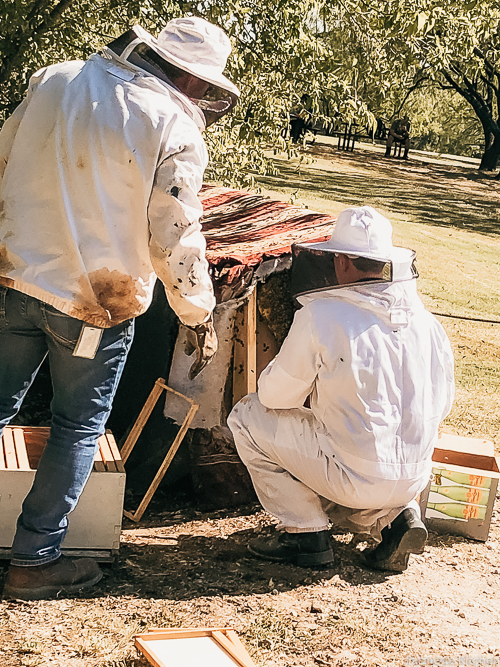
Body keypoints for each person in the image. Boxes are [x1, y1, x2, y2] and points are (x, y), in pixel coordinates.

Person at [0, 17, 239, 600]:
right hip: (92, 307)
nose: (204, 96)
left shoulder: (53, 78)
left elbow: (3, 162)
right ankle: (34, 560)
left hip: (13, 278)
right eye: (205, 86)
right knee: (76, 425)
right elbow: (175, 231)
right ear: (187, 76)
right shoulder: (174, 122)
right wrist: (196, 310)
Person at [228, 206, 455, 571]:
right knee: (367, 450)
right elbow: (442, 405)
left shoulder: (323, 316)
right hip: (415, 477)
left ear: (344, 262)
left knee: (247, 416)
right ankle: (398, 520)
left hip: (355, 474)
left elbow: (273, 397)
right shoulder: (426, 321)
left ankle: (305, 534)